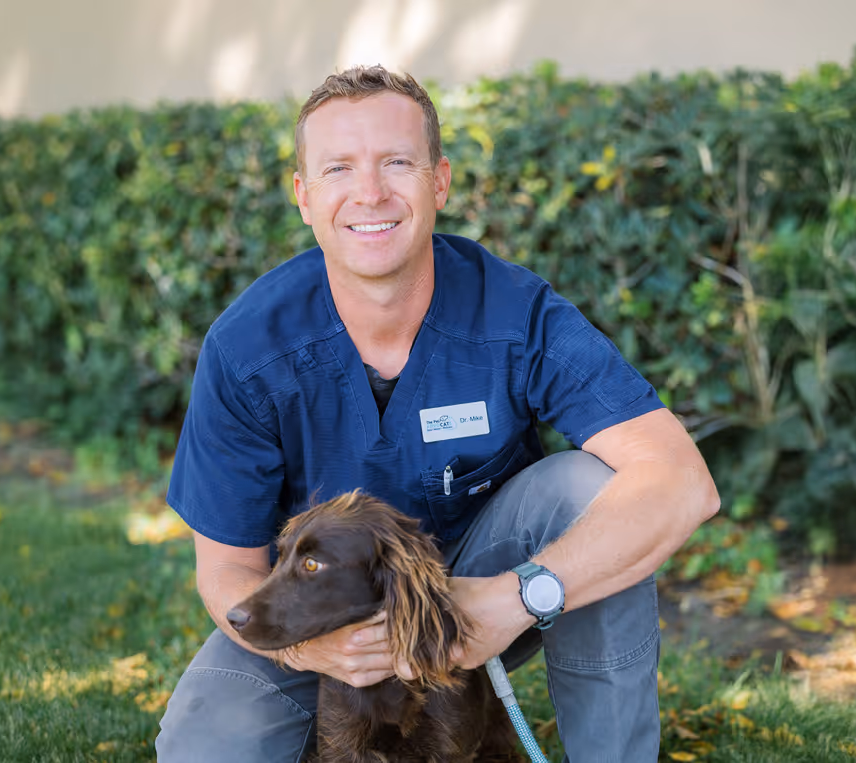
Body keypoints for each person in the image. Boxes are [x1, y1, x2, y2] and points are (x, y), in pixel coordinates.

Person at [156, 64, 719, 762]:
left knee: (587, 489)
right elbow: (228, 574)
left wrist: (517, 597)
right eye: (338, 168)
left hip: (488, 594)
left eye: (397, 162)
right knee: (203, 746)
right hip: (326, 613)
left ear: (439, 182)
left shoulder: (515, 313)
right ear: (303, 195)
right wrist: (317, 648)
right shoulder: (247, 347)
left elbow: (681, 481)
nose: (369, 193)